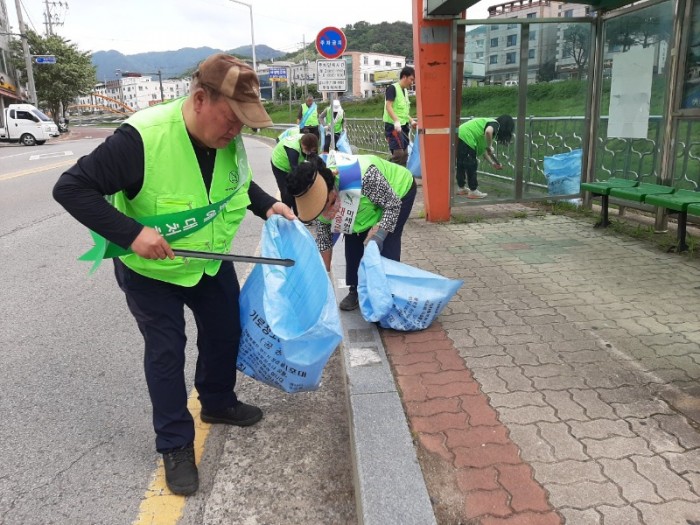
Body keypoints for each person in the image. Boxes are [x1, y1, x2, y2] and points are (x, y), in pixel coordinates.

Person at [52, 53, 295, 497]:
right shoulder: (142, 139)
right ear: (200, 99)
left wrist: (268, 205)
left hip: (207, 259)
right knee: (167, 351)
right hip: (150, 270)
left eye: (244, 123)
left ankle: (217, 403)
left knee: (225, 332)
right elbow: (70, 188)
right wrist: (130, 233)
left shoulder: (227, 137)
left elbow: (238, 183)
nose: (237, 130)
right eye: (231, 119)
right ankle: (175, 445)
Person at [287, 153, 417, 311]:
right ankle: (355, 290)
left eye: (328, 203)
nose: (326, 212)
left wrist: (378, 236)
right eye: (319, 210)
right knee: (353, 236)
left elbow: (393, 205)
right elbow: (324, 242)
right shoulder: (315, 203)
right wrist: (324, 281)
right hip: (365, 208)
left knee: (384, 245)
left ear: (332, 188)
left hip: (398, 193)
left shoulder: (365, 176)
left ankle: (388, 294)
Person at [456, 115, 514, 199]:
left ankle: (461, 188)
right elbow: (488, 132)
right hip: (467, 136)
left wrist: (492, 163)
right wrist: (490, 146)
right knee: (472, 165)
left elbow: (484, 151)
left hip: (459, 135)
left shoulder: (485, 128)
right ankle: (473, 191)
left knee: (461, 164)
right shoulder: (495, 124)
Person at [270, 132, 319, 209]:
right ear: (302, 144)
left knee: (299, 191)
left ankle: (299, 214)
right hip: (280, 166)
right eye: (307, 149)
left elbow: (315, 160)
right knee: (287, 192)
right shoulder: (293, 149)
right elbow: (296, 172)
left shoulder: (310, 141)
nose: (309, 152)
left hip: (293, 164)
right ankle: (286, 213)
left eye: (311, 150)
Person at [383, 66, 416, 166]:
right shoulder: (392, 88)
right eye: (411, 79)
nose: (412, 82)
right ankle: (389, 173)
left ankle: (402, 177)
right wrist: (396, 121)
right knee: (398, 154)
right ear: (404, 77)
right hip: (393, 126)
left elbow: (403, 111)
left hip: (403, 126)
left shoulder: (405, 91)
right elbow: (388, 106)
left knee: (405, 154)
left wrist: (411, 121)